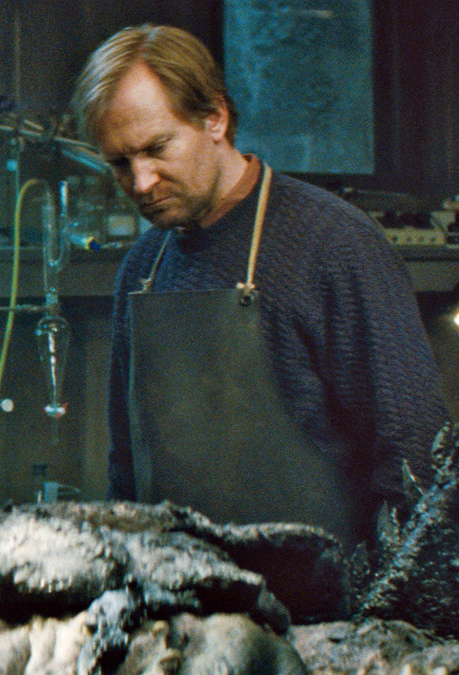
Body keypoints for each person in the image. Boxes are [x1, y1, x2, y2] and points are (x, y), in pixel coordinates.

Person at [73, 24, 449, 543]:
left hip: (325, 590)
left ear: (215, 118)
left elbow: (416, 457)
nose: (141, 182)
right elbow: (126, 473)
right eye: (119, 163)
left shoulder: (335, 244)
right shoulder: (141, 270)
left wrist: (385, 590)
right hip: (182, 585)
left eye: (157, 148)